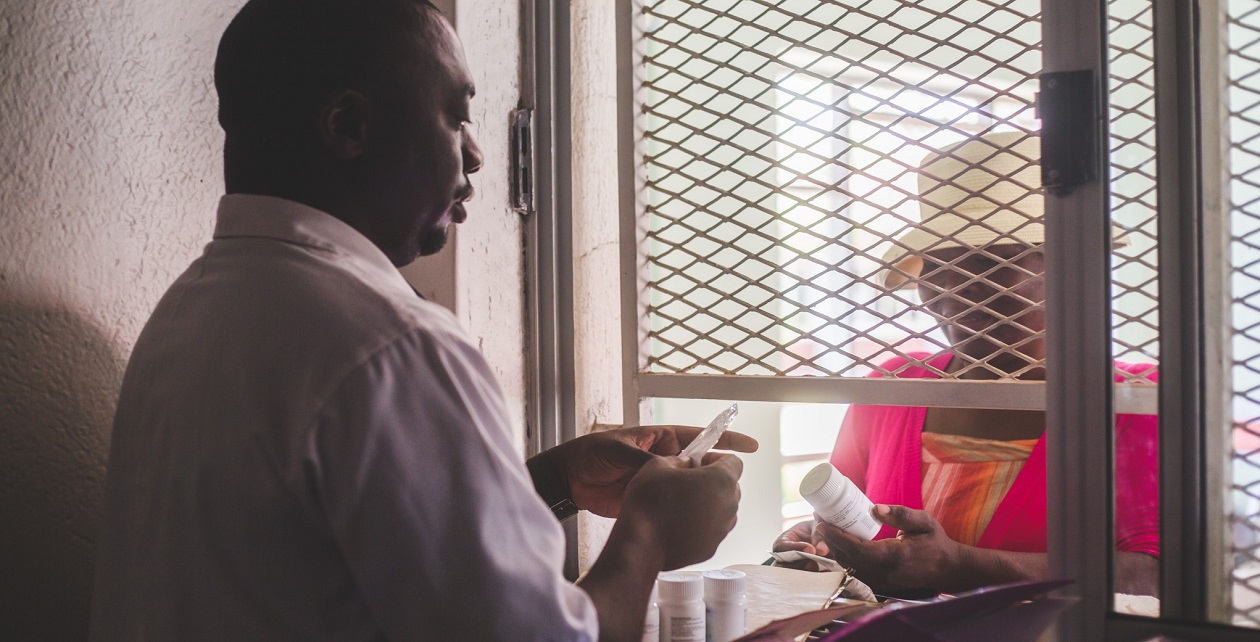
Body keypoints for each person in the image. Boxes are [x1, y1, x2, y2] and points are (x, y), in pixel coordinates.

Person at [88, 2, 756, 641]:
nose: (475, 154)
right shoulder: (391, 345)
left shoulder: (193, 310)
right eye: (454, 115)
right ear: (350, 126)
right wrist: (653, 530)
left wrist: (551, 482)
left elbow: (320, 548)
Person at [772, 131, 1160, 597]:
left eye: (993, 261)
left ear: (1066, 266)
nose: (956, 286)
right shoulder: (893, 387)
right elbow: (844, 519)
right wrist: (819, 544)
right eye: (936, 266)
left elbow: (1153, 574)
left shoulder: (1133, 403)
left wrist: (962, 566)